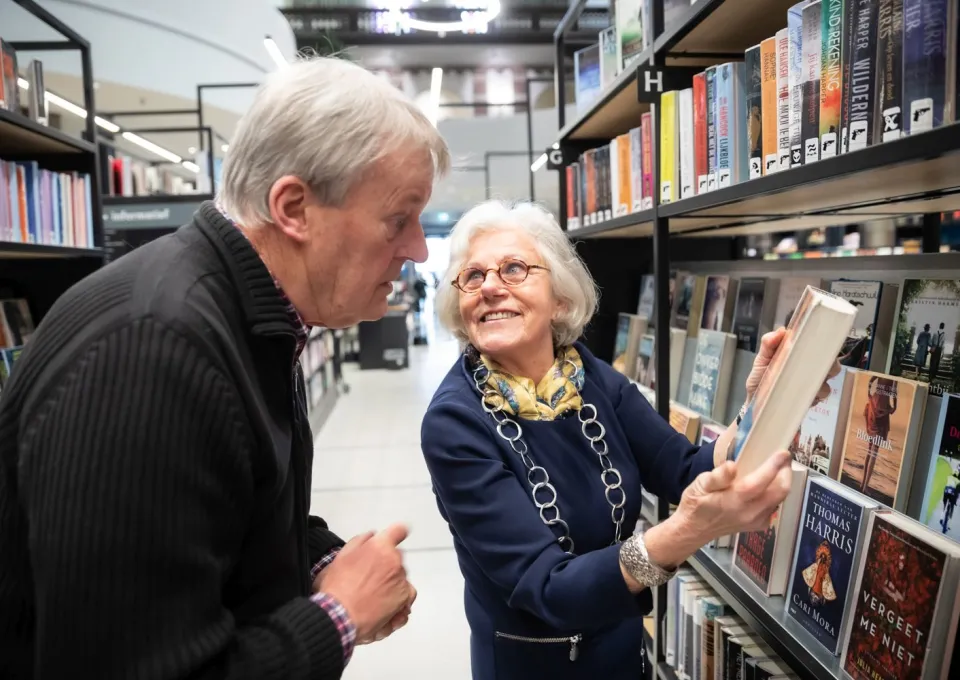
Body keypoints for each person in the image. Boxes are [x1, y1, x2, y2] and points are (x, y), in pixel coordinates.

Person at [0, 56, 449, 679]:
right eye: (398, 219)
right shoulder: (155, 353)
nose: (419, 249)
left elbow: (228, 516)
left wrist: (320, 558)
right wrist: (338, 614)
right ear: (293, 208)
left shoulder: (256, 316)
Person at [421, 200, 836, 680]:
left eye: (514, 268)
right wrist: (686, 531)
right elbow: (549, 589)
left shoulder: (587, 374)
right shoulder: (455, 423)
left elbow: (684, 470)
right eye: (473, 277)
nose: (491, 287)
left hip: (623, 657)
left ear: (559, 297)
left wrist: (765, 404)